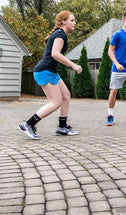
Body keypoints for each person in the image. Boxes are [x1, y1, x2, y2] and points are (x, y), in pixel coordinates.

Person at [18, 11, 82, 140]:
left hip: (50, 71)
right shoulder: (60, 34)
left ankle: (62, 127)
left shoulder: (60, 34)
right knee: (56, 102)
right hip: (45, 71)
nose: (74, 23)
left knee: (66, 96)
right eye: (72, 20)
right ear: (64, 22)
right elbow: (55, 54)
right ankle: (28, 124)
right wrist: (73, 65)